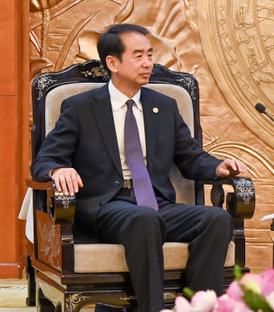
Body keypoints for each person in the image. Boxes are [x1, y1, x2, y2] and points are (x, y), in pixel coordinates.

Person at [31, 24, 250, 312]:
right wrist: (58, 170)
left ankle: (198, 306)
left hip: (156, 203)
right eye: (138, 56)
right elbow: (44, 161)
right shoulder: (81, 108)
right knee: (143, 218)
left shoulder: (164, 106)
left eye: (149, 55)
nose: (148, 63)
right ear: (113, 63)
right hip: (106, 207)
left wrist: (218, 167)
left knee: (216, 219)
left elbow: (190, 157)